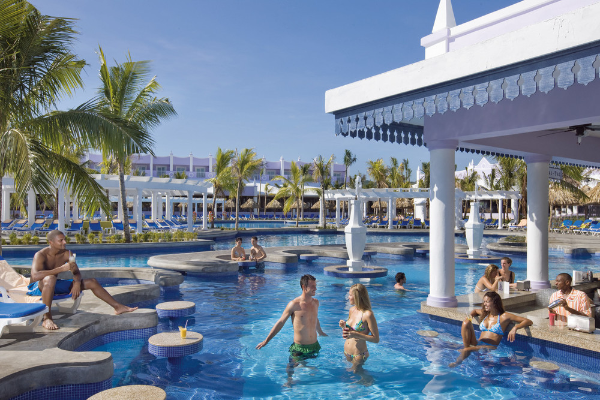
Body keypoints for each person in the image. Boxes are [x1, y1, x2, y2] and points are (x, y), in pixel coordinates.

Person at [29, 230, 138, 330]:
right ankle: (47, 318)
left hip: (53, 284)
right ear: (51, 242)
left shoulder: (67, 253)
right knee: (50, 278)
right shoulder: (40, 255)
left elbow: (76, 272)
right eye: (61, 240)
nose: (65, 242)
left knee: (92, 282)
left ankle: (118, 307)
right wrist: (61, 269)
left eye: (65, 239)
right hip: (37, 287)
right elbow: (35, 276)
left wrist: (76, 282)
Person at [450, 291, 532, 367]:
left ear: (495, 303)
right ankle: (467, 349)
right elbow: (474, 311)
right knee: (466, 322)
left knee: (466, 350)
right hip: (478, 343)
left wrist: (515, 328)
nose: (484, 304)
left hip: (490, 346)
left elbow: (528, 321)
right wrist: (469, 317)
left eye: (487, 301)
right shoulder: (485, 314)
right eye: (484, 301)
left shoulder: (504, 316)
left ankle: (456, 364)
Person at [256, 274, 327, 358]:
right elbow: (281, 322)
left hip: (315, 346)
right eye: (312, 286)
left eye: (315, 286)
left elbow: (314, 319)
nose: (315, 288)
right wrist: (266, 341)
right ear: (304, 287)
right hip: (299, 348)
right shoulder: (294, 304)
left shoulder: (316, 303)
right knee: (290, 370)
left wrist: (320, 332)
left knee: (316, 370)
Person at [339, 284, 379, 365]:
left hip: (359, 355)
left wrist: (356, 334)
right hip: (347, 353)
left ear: (357, 296)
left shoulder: (368, 314)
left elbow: (376, 339)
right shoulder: (352, 310)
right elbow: (350, 332)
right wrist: (344, 326)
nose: (348, 297)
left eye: (350, 295)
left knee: (358, 376)